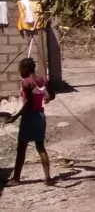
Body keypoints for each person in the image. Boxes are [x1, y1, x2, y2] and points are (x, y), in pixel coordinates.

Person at [4, 57, 55, 186]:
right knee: (40, 147)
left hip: (29, 117)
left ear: (26, 69)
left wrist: (15, 117)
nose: (20, 72)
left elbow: (28, 103)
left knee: (21, 148)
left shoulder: (26, 83)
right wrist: (46, 99)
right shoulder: (43, 79)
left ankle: (16, 178)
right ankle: (48, 178)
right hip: (40, 116)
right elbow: (51, 95)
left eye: (21, 69)